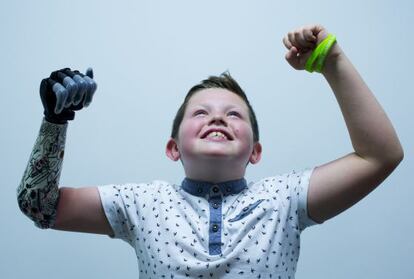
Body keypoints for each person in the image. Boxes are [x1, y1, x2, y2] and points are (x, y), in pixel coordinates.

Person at [17, 24, 403, 278]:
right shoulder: (140, 202)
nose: (217, 118)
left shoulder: (284, 200)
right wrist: (55, 121)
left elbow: (379, 156)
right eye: (200, 112)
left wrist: (331, 61)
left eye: (234, 115)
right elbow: (40, 206)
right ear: (173, 148)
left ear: (255, 151)